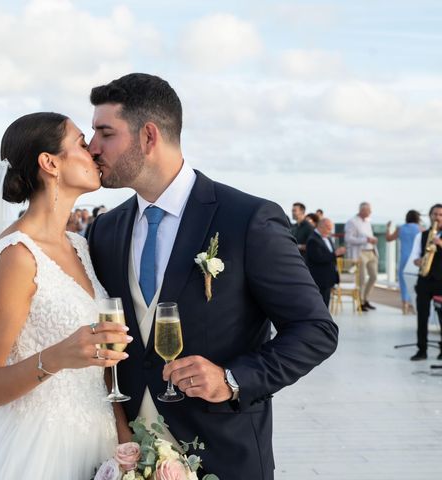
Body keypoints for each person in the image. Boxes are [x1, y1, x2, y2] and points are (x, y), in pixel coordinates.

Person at [87, 73, 338, 479]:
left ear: (148, 137)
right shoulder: (105, 230)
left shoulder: (247, 219)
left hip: (223, 453)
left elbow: (315, 329)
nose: (92, 147)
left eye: (105, 132)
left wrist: (233, 380)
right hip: (123, 458)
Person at [0, 112, 130, 479]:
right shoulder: (19, 256)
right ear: (50, 163)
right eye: (82, 144)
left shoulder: (79, 245)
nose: (95, 153)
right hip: (42, 451)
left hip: (97, 445)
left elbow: (99, 364)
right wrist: (56, 357)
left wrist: (124, 438)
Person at [409, 204, 442, 361]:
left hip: (441, 281)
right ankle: (422, 350)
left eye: (441, 215)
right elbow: (414, 257)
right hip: (424, 279)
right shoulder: (421, 236)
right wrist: (419, 261)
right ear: (430, 216)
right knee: (422, 316)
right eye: (435, 214)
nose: (438, 217)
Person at [386, 210, 423, 314]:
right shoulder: (420, 229)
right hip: (416, 260)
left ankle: (405, 306)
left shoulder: (400, 228)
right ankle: (416, 305)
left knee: (403, 282)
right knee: (417, 282)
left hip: (404, 258)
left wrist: (388, 228)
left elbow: (388, 239)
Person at [345, 202, 379, 312]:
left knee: (373, 277)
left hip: (371, 252)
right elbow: (348, 239)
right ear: (362, 210)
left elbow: (369, 236)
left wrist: (372, 240)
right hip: (360, 253)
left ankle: (366, 299)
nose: (370, 212)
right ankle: (360, 302)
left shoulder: (367, 222)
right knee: (361, 279)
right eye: (368, 210)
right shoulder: (352, 222)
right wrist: (366, 240)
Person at [306, 218, 347, 307]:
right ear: (321, 227)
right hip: (319, 278)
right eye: (329, 228)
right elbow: (318, 258)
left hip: (328, 278)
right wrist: (335, 253)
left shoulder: (326, 238)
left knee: (326, 303)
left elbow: (329, 254)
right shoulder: (313, 240)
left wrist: (338, 253)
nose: (330, 231)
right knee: (320, 305)